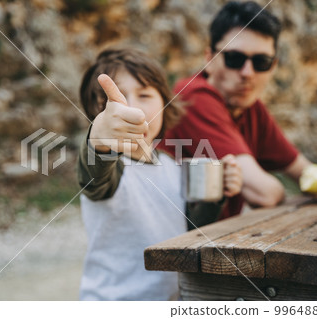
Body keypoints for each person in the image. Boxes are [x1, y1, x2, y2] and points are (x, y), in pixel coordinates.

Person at [77, 48, 242, 300]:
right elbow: (95, 168)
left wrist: (216, 194)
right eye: (116, 100)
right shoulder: (109, 168)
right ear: (95, 113)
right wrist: (99, 137)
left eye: (144, 95)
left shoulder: (170, 165)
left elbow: (190, 231)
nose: (133, 109)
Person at [160, 1, 317, 220]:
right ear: (209, 60)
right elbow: (263, 193)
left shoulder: (251, 108)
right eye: (235, 59)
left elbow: (303, 170)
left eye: (261, 62)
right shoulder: (192, 98)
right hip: (173, 243)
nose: (248, 73)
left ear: (273, 66)